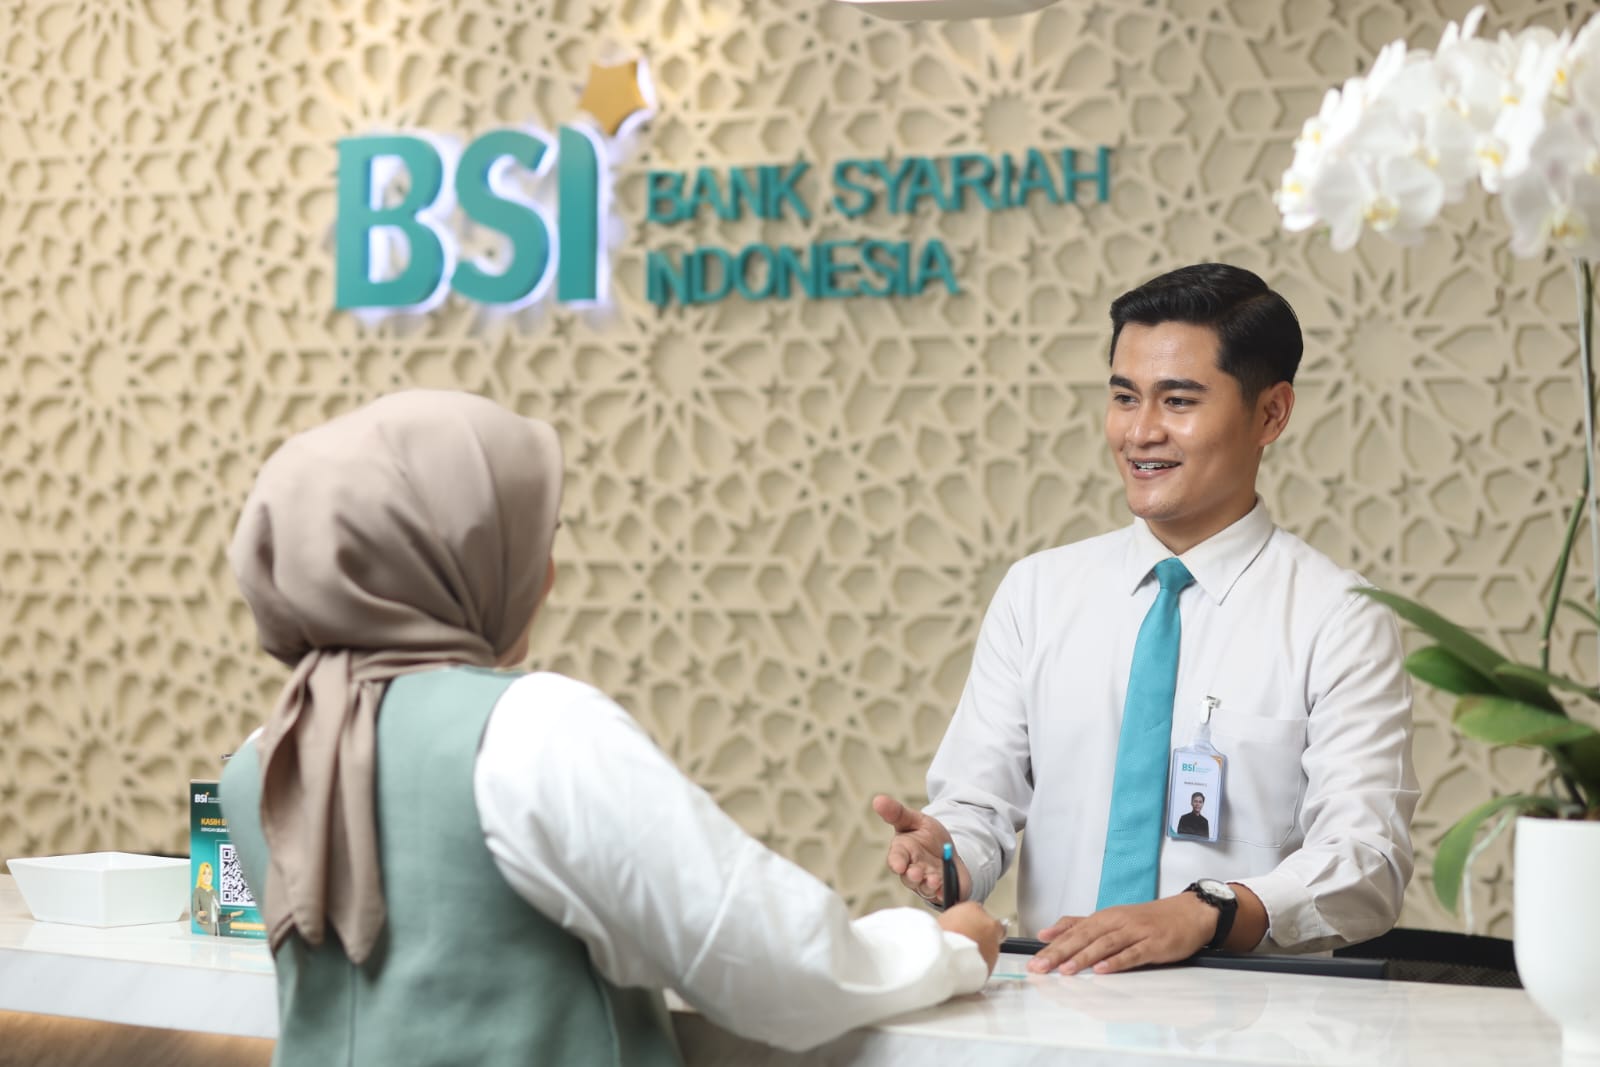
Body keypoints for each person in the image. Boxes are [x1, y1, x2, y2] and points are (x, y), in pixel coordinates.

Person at [217, 391, 1003, 1065]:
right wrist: (950, 947)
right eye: (527, 544)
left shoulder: (263, 756)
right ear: (452, 559)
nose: (548, 575)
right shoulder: (531, 728)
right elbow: (768, 964)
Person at [874, 263, 1418, 976]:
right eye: (1125, 397)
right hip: (1055, 1004)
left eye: (1178, 400)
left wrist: (1207, 910)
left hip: (1251, 1017)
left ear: (1271, 414)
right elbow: (979, 807)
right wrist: (945, 853)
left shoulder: (1340, 619)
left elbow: (1367, 862)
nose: (1140, 432)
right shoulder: (1037, 592)